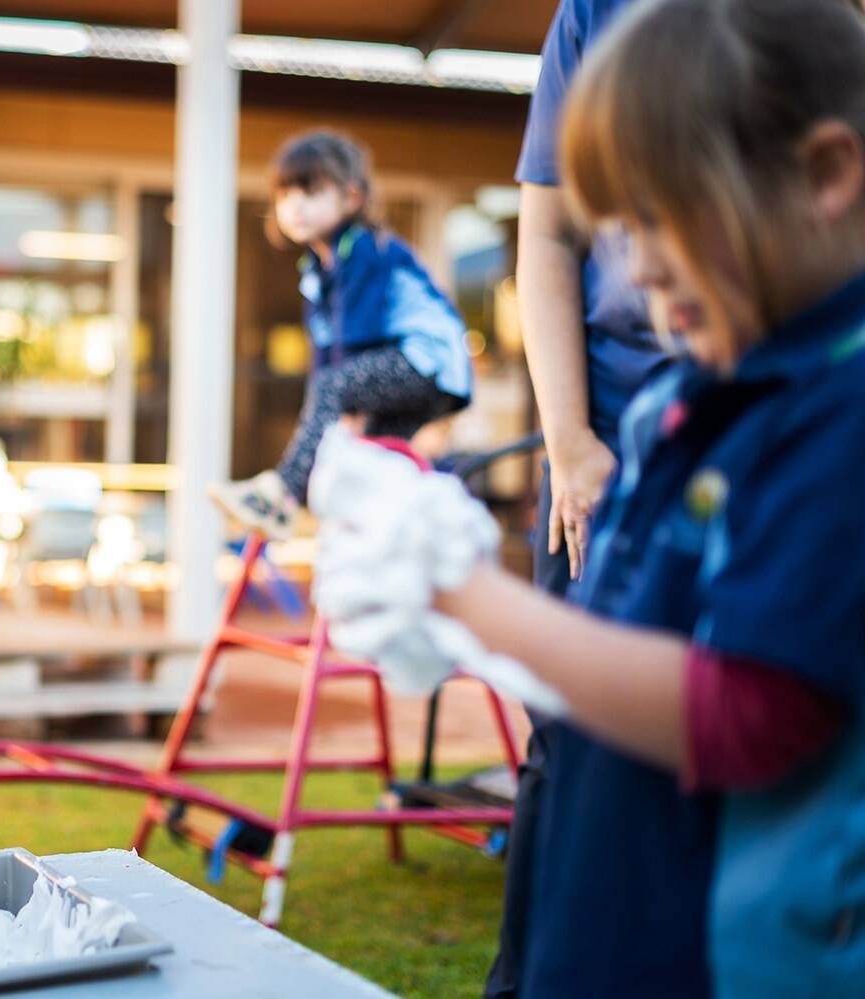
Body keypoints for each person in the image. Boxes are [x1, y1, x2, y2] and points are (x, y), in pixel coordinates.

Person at [328, 0, 865, 991]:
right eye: (619, 222)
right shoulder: (675, 403)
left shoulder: (833, 413)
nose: (638, 264)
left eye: (666, 211)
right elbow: (602, 667)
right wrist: (454, 628)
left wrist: (474, 600)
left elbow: (749, 715)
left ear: (825, 175)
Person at [486, 0, 663, 993]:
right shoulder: (596, 10)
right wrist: (571, 443)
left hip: (749, 427)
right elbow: (548, 235)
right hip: (603, 439)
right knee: (569, 725)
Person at [209, 129, 472, 538]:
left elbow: (356, 342)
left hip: (428, 362)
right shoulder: (317, 270)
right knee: (370, 455)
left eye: (310, 192)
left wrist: (341, 403)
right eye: (284, 195)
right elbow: (325, 352)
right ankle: (379, 535)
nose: (294, 205)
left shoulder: (364, 250)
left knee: (339, 393)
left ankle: (282, 494)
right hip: (411, 367)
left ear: (351, 197)